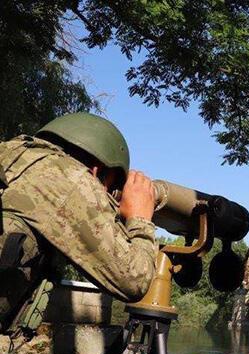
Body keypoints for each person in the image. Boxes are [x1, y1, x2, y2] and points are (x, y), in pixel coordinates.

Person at [0, 112, 157, 336]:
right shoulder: (73, 179)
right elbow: (133, 280)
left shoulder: (10, 152)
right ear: (96, 171)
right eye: (108, 188)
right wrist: (140, 219)